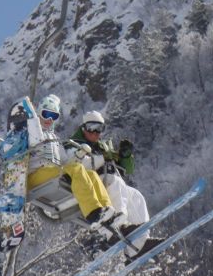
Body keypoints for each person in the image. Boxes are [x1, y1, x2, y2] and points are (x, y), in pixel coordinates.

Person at [67, 111, 164, 262]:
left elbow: (127, 170)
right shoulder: (73, 144)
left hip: (107, 181)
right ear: (84, 127)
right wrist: (102, 158)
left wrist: (125, 156)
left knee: (136, 195)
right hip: (91, 183)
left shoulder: (102, 147)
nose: (96, 132)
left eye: (100, 129)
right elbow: (76, 165)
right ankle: (118, 222)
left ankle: (141, 241)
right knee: (115, 181)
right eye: (92, 127)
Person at [25, 94, 116, 226]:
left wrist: (78, 155)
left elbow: (66, 162)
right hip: (35, 175)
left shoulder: (55, 139)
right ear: (39, 113)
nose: (49, 119)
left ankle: (106, 209)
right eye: (46, 114)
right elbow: (21, 142)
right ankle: (93, 213)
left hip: (51, 173)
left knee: (91, 174)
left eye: (54, 116)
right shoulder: (31, 132)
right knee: (76, 168)